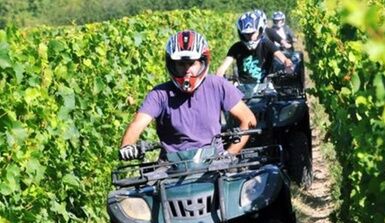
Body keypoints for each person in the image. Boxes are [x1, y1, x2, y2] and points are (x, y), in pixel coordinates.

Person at [119, 30, 256, 160]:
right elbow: (138, 124)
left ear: (203, 62)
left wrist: (230, 153)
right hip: (172, 166)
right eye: (181, 64)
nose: (187, 70)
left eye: (192, 63)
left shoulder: (217, 85)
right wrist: (127, 145)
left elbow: (249, 120)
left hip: (214, 161)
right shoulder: (160, 94)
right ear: (172, 65)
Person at [216, 11, 293, 90]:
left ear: (260, 30)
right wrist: (219, 75)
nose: (249, 36)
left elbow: (283, 58)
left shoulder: (266, 44)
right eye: (246, 34)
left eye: (252, 33)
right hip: (243, 88)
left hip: (265, 87)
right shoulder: (236, 48)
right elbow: (223, 67)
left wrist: (287, 64)